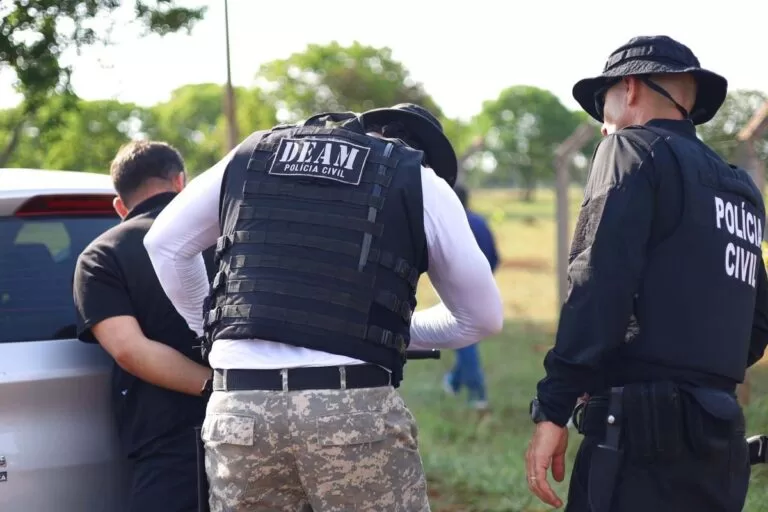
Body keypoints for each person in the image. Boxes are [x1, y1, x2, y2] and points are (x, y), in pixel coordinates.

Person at [143, 104, 504, 512]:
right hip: (349, 410)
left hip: (240, 410)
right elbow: (483, 317)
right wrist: (383, 331)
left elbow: (164, 245)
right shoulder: (419, 180)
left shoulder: (252, 154)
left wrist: (214, 330)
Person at [524, 35, 768, 512]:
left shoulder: (630, 150)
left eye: (603, 103)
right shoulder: (740, 190)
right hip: (719, 437)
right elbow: (757, 321)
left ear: (630, 88)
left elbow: (597, 282)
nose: (601, 125)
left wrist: (554, 406)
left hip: (634, 435)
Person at [72, 141, 216, 512]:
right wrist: (240, 390)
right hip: (265, 423)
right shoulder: (231, 233)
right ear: (180, 182)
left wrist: (214, 388)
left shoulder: (102, 255)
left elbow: (130, 351)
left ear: (120, 205)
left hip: (172, 444)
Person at [442, 183, 499, 410]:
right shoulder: (481, 222)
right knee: (467, 338)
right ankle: (454, 382)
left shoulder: (452, 225)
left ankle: (478, 394)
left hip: (457, 289)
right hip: (484, 287)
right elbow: (495, 256)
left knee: (465, 340)